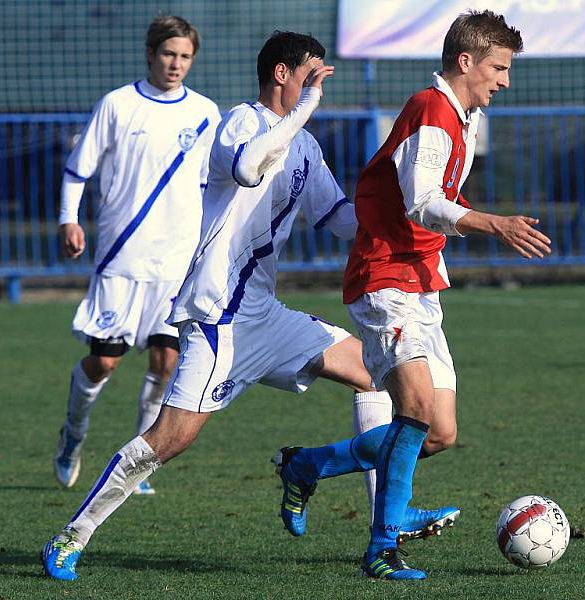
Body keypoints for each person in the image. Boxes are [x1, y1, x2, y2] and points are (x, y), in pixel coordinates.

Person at [41, 31, 454, 582]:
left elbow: (339, 222)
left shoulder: (306, 146)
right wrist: (302, 112)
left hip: (268, 317)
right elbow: (246, 168)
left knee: (382, 378)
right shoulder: (241, 121)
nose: (320, 83)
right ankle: (72, 536)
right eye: (312, 73)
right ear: (282, 74)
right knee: (171, 438)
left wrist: (410, 212)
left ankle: (384, 514)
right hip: (218, 321)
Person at [274, 10, 552, 580]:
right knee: (416, 410)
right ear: (466, 61)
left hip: (422, 280)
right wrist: (493, 224)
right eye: (498, 68)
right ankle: (381, 548)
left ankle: (307, 465)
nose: (504, 80)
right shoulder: (431, 108)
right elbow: (421, 201)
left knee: (439, 432)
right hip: (384, 277)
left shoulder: (464, 116)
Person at [52, 15, 221, 496]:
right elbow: (77, 171)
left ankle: (135, 461)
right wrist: (70, 219)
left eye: (185, 56)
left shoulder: (206, 113)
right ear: (151, 54)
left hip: (177, 261)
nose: (176, 64)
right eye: (169, 53)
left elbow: (214, 186)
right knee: (104, 362)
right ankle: (73, 435)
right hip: (123, 257)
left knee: (166, 362)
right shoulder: (118, 105)